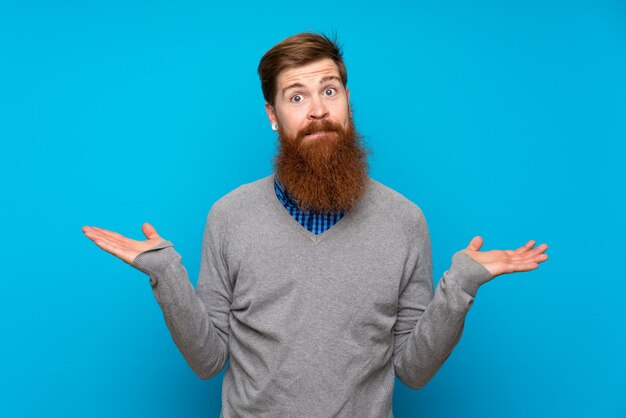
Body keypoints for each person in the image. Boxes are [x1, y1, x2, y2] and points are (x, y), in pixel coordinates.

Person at [82, 32, 549, 417]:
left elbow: (413, 370)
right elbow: (208, 361)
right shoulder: (229, 216)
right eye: (297, 96)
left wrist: (460, 287)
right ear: (273, 116)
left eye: (329, 90)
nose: (318, 110)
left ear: (347, 100)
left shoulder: (405, 221)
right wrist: (166, 273)